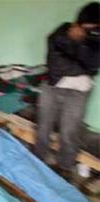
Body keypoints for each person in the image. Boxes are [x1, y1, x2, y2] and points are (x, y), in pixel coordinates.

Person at [35, 2, 100, 178]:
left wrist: (83, 42)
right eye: (87, 28)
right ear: (78, 23)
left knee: (70, 131)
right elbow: (54, 63)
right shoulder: (62, 32)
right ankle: (39, 160)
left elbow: (93, 65)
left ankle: (66, 168)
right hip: (53, 86)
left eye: (95, 29)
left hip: (78, 93)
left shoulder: (96, 38)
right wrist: (81, 71)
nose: (91, 32)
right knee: (43, 126)